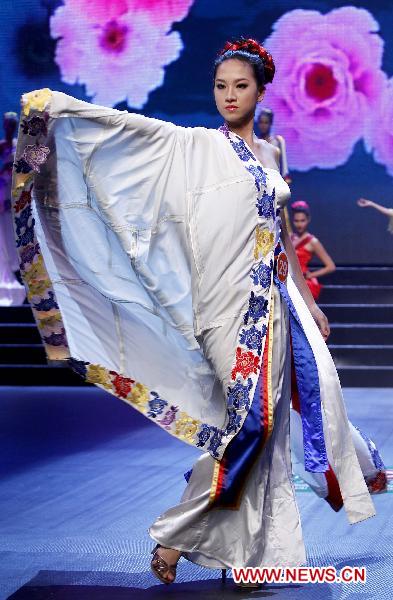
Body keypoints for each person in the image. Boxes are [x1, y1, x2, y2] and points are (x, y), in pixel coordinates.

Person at [12, 37, 385, 588]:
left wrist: (307, 302)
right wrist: (62, 113)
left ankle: (252, 560)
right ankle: (176, 535)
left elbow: (278, 236)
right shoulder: (194, 148)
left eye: (240, 86)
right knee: (251, 427)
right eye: (220, 86)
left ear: (261, 90)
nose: (228, 96)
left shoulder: (274, 152)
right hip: (223, 310)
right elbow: (130, 135)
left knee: (262, 430)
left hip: (276, 307)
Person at [0, 112, 25, 305]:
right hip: (2, 189)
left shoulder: (19, 145)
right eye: (7, 124)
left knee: (15, 233)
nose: (9, 127)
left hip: (15, 190)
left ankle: (19, 274)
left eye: (12, 124)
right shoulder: (2, 146)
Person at [290, 200, 336, 301]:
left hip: (303, 281)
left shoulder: (312, 241)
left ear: (308, 220)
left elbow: (331, 266)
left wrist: (311, 275)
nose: (299, 224)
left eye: (302, 220)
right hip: (288, 278)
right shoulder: (289, 238)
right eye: (296, 221)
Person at [256, 107, 290, 183]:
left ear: (270, 123)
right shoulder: (255, 142)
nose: (263, 125)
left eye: (266, 122)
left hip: (275, 182)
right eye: (261, 122)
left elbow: (283, 162)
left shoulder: (278, 141)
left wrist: (285, 177)